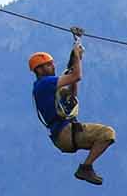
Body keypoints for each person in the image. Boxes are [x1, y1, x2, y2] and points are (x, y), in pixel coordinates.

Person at [29, 27, 115, 185]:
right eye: (48, 65)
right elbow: (77, 76)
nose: (53, 67)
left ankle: (87, 167)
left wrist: (76, 58)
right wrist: (76, 56)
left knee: (103, 139)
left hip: (63, 137)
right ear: (39, 70)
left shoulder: (45, 87)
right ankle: (85, 168)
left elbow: (72, 93)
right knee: (107, 134)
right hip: (65, 132)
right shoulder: (45, 84)